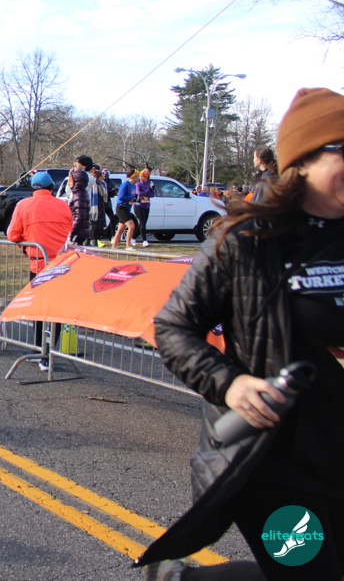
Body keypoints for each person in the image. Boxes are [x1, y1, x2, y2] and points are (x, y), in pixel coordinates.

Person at [139, 87, 344, 579]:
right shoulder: (244, 241)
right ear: (303, 160)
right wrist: (230, 384)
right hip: (274, 465)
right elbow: (173, 327)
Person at [7, 171, 72, 370]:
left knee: (38, 308)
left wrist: (27, 241)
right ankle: (49, 351)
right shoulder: (63, 205)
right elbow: (71, 229)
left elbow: (12, 235)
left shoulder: (23, 205)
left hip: (39, 264)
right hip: (62, 263)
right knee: (56, 309)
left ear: (33, 187)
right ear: (51, 187)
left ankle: (38, 349)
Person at [110, 169, 138, 251]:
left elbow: (133, 196)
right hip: (121, 208)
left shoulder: (134, 185)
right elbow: (121, 197)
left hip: (127, 208)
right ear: (134, 176)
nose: (138, 178)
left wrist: (136, 199)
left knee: (120, 229)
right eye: (137, 176)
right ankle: (128, 246)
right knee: (131, 226)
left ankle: (114, 247)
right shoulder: (125, 184)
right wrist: (132, 197)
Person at [69, 155, 94, 246]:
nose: (75, 165)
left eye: (77, 163)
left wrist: (72, 232)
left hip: (80, 211)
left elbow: (80, 216)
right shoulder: (77, 177)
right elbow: (69, 189)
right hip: (75, 208)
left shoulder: (86, 177)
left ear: (84, 166)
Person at [133, 168, 155, 247]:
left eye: (143, 177)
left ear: (147, 177)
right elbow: (139, 193)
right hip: (138, 205)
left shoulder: (149, 183)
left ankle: (133, 237)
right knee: (142, 222)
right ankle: (144, 241)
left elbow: (152, 194)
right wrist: (148, 191)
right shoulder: (138, 184)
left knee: (143, 223)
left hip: (146, 205)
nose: (142, 178)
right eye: (141, 176)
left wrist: (150, 190)